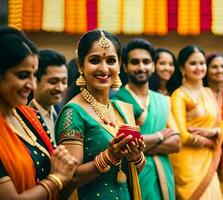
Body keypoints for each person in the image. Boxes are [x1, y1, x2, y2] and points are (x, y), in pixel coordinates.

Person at [55, 29, 145, 200]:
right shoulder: (73, 113)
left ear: (119, 65)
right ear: (81, 65)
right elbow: (68, 178)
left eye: (111, 60)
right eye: (95, 60)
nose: (104, 69)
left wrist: (136, 157)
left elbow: (128, 173)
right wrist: (109, 157)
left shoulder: (122, 109)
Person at [0, 27, 78, 200]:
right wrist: (56, 179)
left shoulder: (29, 116)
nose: (32, 86)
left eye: (33, 76)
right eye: (22, 75)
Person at [114, 38, 181, 200]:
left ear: (153, 65)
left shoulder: (164, 100)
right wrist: (159, 136)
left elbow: (176, 143)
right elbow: (121, 145)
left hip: (164, 174)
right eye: (135, 62)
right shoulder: (117, 101)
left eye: (146, 62)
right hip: (135, 172)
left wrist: (139, 145)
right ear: (125, 66)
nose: (141, 67)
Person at [170, 45, 223, 200]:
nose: (199, 67)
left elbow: (220, 126)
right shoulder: (179, 96)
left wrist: (213, 132)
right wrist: (209, 142)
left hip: (208, 161)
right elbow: (183, 136)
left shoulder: (208, 92)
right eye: (193, 63)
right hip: (188, 165)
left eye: (202, 63)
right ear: (182, 68)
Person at [203, 53, 223, 200]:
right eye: (214, 66)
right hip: (203, 155)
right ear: (205, 70)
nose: (220, 70)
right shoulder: (198, 95)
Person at [28, 49, 68, 144]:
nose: (60, 88)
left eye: (64, 82)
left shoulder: (62, 113)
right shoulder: (24, 117)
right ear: (35, 81)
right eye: (53, 82)